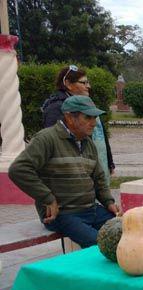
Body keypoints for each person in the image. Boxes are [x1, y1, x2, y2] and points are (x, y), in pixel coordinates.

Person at [10, 96, 121, 248]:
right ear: (69, 117)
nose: (94, 123)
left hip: (91, 210)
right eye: (87, 117)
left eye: (94, 117)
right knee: (101, 246)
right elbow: (18, 169)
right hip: (62, 214)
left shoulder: (88, 143)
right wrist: (48, 198)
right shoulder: (47, 139)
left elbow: (99, 178)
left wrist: (109, 202)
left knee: (126, 232)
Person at [42, 65, 115, 181]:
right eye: (84, 83)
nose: (88, 86)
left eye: (88, 82)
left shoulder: (88, 104)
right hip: (73, 173)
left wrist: (110, 162)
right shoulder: (56, 108)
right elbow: (54, 143)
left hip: (95, 166)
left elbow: (100, 136)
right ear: (68, 83)